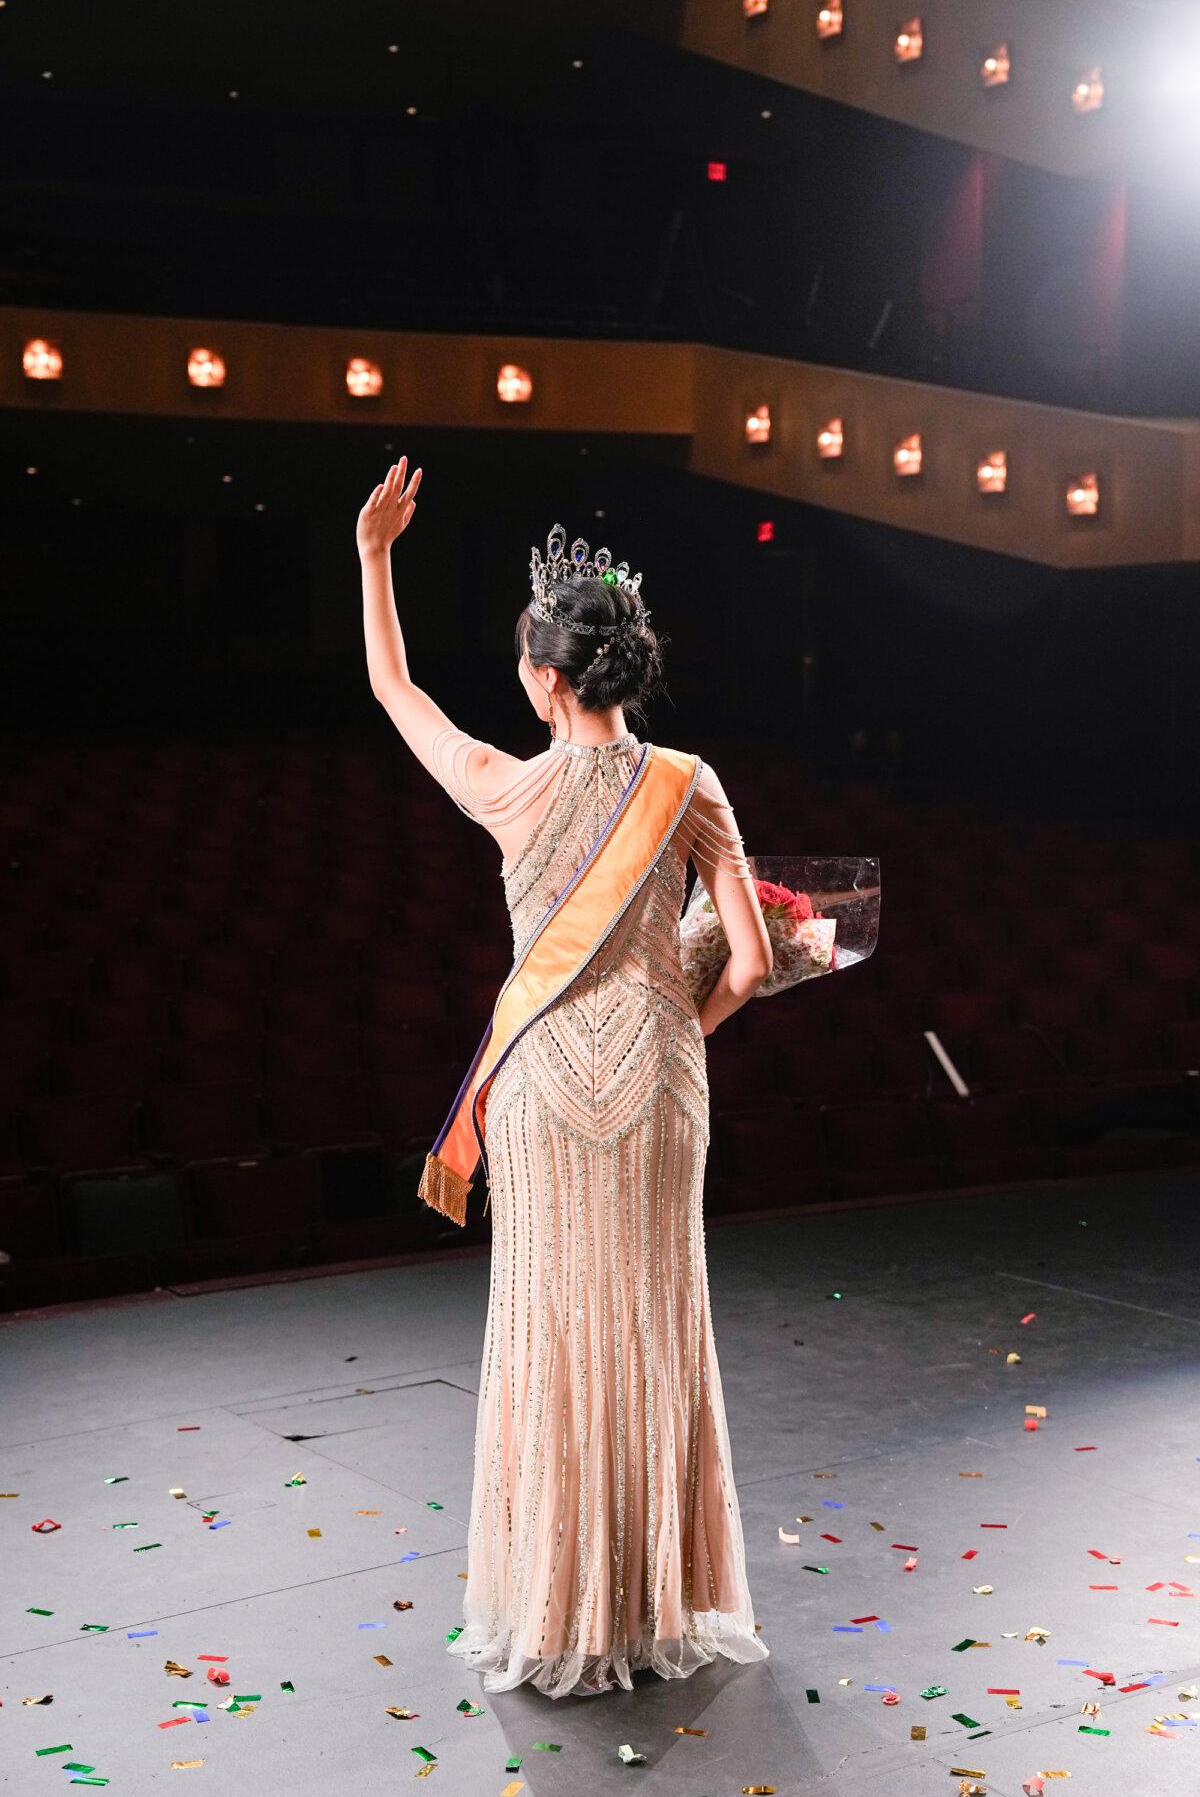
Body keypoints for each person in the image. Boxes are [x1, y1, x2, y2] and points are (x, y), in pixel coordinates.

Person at [357, 458, 773, 1700]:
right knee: (653, 1331)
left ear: (545, 679)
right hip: (658, 1082)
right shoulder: (688, 784)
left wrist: (375, 555)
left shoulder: (508, 784)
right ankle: (657, 1597)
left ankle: (557, 1603)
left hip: (537, 1092)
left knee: (550, 1337)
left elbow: (395, 688)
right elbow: (749, 964)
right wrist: (670, 1026)